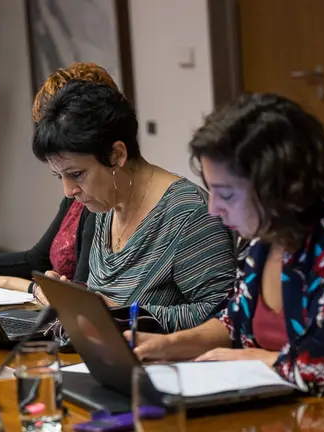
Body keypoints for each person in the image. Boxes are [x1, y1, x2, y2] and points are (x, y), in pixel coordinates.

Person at [127, 93, 324, 419]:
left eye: (226, 194)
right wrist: (164, 345)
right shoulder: (264, 230)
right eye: (211, 190)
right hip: (281, 413)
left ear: (278, 186)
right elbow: (233, 322)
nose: (213, 209)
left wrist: (258, 359)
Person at [33, 79, 236, 333]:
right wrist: (72, 299)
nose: (68, 191)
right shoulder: (106, 205)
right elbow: (104, 300)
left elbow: (223, 315)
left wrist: (121, 314)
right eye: (59, 176)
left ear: (117, 154)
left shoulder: (188, 214)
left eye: (76, 174)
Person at [0, 63, 118, 292]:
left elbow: (82, 291)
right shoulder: (77, 195)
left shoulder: (100, 203)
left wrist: (6, 283)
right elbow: (37, 259)